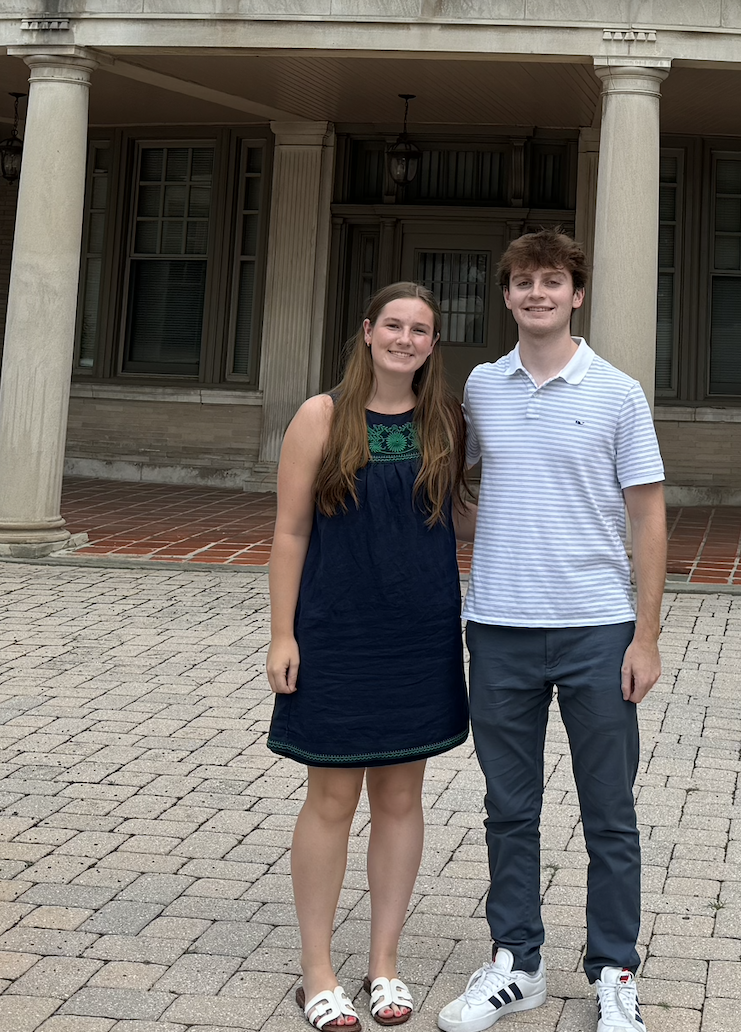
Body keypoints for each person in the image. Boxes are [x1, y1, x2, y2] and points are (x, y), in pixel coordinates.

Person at [437, 228, 667, 1032]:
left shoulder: (618, 392)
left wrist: (646, 635)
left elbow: (648, 518)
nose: (537, 293)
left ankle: (614, 972)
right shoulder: (481, 387)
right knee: (509, 805)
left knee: (609, 811)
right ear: (506, 296)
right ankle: (517, 963)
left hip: (597, 630)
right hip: (497, 625)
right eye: (523, 282)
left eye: (553, 281)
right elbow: (457, 492)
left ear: (577, 295)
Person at [268, 281, 470, 1031]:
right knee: (331, 798)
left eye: (421, 329)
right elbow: (290, 533)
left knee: (400, 799)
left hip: (418, 635)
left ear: (432, 344)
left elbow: (465, 515)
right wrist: (282, 634)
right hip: (338, 633)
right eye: (394, 325)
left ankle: (383, 964)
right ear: (366, 332)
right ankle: (316, 971)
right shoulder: (321, 416)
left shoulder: (446, 420)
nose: (406, 339)